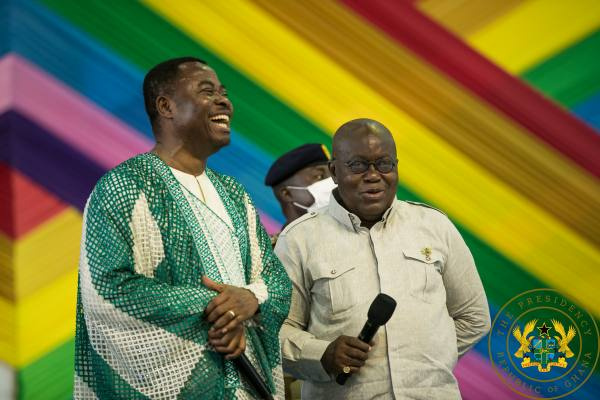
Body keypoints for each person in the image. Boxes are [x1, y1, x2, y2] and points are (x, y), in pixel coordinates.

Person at [73, 57, 291, 399]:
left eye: (223, 92)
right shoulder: (123, 187)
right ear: (166, 106)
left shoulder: (234, 194)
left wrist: (250, 299)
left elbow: (276, 283)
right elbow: (107, 291)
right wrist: (216, 308)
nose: (224, 101)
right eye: (208, 91)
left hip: (246, 387)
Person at [275, 119, 491, 399]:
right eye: (358, 165)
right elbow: (275, 331)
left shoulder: (435, 226)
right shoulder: (298, 240)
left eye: (384, 164)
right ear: (334, 172)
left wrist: (425, 360)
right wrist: (323, 355)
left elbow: (473, 317)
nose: (373, 175)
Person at [265, 143, 335, 246]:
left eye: (333, 175)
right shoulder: (270, 255)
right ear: (287, 194)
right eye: (319, 176)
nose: (332, 183)